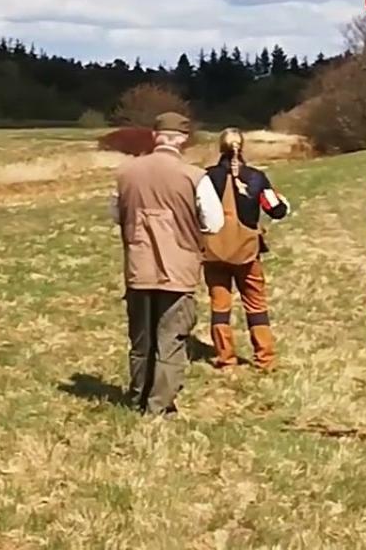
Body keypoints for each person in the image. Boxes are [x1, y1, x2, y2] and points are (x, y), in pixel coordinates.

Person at [110, 112, 224, 416]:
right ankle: (159, 408)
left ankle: (137, 398)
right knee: (171, 340)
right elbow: (214, 222)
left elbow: (116, 215)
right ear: (183, 138)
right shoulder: (195, 176)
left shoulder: (125, 173)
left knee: (141, 340)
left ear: (154, 135)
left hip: (138, 269)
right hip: (179, 270)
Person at [202, 128, 289, 371]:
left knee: (220, 306)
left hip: (214, 252)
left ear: (220, 148)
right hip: (247, 252)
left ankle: (225, 358)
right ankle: (265, 359)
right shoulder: (256, 178)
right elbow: (277, 210)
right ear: (243, 147)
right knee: (256, 305)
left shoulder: (205, 178)